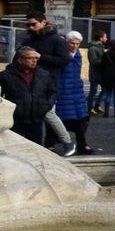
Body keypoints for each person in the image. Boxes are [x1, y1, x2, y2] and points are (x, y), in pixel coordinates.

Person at [21, 12, 74, 154]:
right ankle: (42, 145)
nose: (31, 27)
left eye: (34, 24)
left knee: (47, 113)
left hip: (47, 83)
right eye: (28, 25)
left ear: (44, 23)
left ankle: (67, 142)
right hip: (26, 82)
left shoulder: (56, 40)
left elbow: (64, 60)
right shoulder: (28, 40)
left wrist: (41, 57)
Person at [0, 47, 57, 144]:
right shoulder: (6, 75)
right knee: (15, 149)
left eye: (36, 58)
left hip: (36, 120)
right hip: (15, 120)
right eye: (30, 58)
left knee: (36, 150)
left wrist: (46, 106)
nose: (34, 60)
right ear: (20, 60)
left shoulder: (43, 74)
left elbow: (52, 91)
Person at [56, 32, 93, 155]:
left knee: (82, 119)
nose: (75, 46)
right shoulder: (61, 53)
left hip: (76, 91)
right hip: (63, 90)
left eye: (77, 44)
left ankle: (82, 144)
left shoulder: (77, 55)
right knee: (57, 118)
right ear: (67, 42)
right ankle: (51, 143)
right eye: (72, 43)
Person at [99, 39, 115, 118]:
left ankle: (106, 113)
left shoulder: (106, 54)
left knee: (108, 94)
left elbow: (102, 67)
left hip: (107, 76)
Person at [86, 31, 107, 114]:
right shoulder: (92, 48)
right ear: (101, 38)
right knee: (93, 91)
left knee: (105, 90)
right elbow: (94, 61)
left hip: (101, 73)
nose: (106, 38)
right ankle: (90, 108)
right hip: (95, 74)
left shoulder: (100, 47)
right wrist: (105, 60)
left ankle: (97, 105)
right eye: (105, 37)